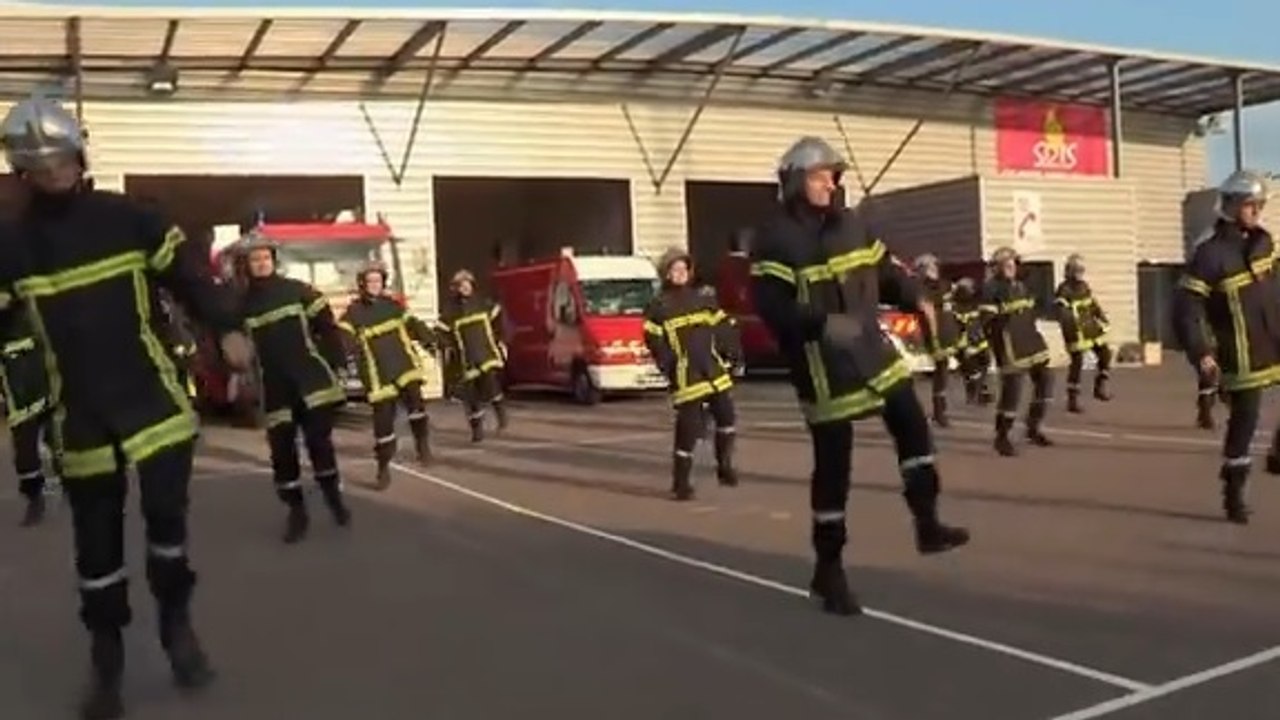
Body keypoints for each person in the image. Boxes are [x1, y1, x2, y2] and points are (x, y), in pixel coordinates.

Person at [0, 96, 251, 720]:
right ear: (21, 172)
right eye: (39, 164)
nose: (53, 171)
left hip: (152, 403)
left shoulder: (129, 220)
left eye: (60, 158)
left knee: (166, 529)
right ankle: (106, 659)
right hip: (79, 417)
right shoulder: (11, 246)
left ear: (80, 155)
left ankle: (177, 629)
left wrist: (225, 327)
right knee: (97, 552)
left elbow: (192, 278)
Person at [749, 136, 969, 617]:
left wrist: (918, 296)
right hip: (822, 365)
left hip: (871, 350)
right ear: (793, 181)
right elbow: (771, 307)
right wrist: (821, 323)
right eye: (820, 174)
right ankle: (829, 571)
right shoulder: (776, 238)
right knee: (835, 467)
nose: (831, 182)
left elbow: (886, 270)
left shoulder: (850, 224)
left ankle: (927, 524)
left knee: (912, 423)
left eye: (834, 174)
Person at [1172, 169, 1278, 524]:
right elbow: (1187, 310)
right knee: (1244, 423)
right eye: (1249, 204)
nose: (1255, 211)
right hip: (1240, 351)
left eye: (1259, 205)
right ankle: (1233, 491)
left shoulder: (1265, 244)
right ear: (1230, 205)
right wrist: (1201, 351)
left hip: (1274, 343)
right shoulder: (1210, 254)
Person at [235, 235, 351, 543]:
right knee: (282, 453)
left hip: (310, 380)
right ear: (246, 265)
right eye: (254, 259)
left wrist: (336, 359)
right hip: (274, 387)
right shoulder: (242, 305)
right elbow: (234, 346)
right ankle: (296, 513)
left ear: (274, 260)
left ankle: (334, 500)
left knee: (318, 444)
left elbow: (327, 326)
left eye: (265, 258)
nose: (260, 263)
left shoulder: (297, 291)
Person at [643, 248, 740, 500]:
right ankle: (681, 483)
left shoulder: (702, 298)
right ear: (666, 274)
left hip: (713, 367)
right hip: (686, 374)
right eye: (674, 270)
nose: (680, 274)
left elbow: (723, 327)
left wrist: (733, 354)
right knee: (689, 429)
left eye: (683, 270)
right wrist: (669, 366)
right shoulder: (659, 306)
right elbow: (654, 341)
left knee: (727, 417)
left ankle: (724, 466)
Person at [337, 261, 438, 490]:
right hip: (376, 372)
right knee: (383, 423)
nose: (374, 285)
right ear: (363, 284)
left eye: (378, 281)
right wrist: (344, 356)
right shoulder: (353, 313)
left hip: (403, 363)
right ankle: (383, 467)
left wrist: (431, 340)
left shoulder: (393, 306)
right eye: (370, 281)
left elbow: (414, 326)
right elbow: (344, 339)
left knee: (416, 404)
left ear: (383, 283)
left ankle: (423, 446)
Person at [979, 247, 1054, 457]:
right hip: (1009, 344)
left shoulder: (1021, 285)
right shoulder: (991, 289)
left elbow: (1033, 309)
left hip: (1030, 340)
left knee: (1045, 381)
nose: (1010, 266)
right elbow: (986, 321)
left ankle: (1033, 427)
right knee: (1013, 391)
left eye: (1012, 263)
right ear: (997, 268)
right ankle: (1001, 437)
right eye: (1006, 264)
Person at [435, 269, 508, 443]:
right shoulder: (451, 310)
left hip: (486, 352)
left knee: (491, 384)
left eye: (467, 284)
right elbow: (441, 331)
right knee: (471, 395)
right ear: (456, 288)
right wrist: (448, 347)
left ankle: (501, 416)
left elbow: (498, 319)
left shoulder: (482, 303)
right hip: (465, 358)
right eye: (461, 285)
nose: (465, 287)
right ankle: (477, 430)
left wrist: (499, 340)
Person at [1, 311, 55, 526]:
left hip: (34, 353)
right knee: (25, 429)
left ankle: (72, 480)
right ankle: (35, 495)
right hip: (16, 361)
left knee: (48, 420)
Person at [1053, 254, 1113, 413]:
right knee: (1077, 363)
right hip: (1075, 332)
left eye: (1081, 269)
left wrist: (1102, 318)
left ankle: (1100, 385)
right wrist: (1070, 329)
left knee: (1105, 354)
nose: (1079, 272)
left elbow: (1093, 305)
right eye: (1076, 269)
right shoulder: (1063, 289)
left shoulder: (1084, 286)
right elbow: (1062, 312)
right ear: (1070, 271)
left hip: (1090, 328)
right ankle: (1072, 400)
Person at [913, 253, 961, 427]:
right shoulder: (922, 288)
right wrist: (933, 338)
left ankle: (941, 411)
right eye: (929, 266)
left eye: (934, 265)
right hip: (937, 334)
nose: (933, 268)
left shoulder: (945, 285)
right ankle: (939, 412)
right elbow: (928, 313)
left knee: (944, 370)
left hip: (950, 331)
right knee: (941, 370)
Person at [951, 277, 992, 406]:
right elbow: (958, 327)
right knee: (972, 371)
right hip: (966, 345)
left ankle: (979, 392)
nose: (971, 291)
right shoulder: (956, 308)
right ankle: (974, 395)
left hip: (979, 343)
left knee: (981, 366)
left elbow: (983, 320)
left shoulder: (973, 304)